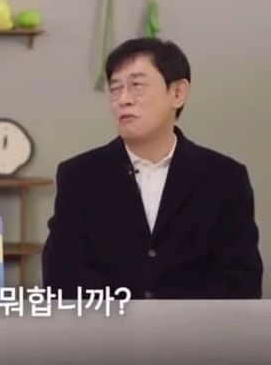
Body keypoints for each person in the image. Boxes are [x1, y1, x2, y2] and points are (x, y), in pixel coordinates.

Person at [42, 37, 263, 299]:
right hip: (107, 324)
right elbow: (61, 277)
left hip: (198, 325)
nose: (123, 99)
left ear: (178, 93)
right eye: (115, 88)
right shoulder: (79, 176)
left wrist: (173, 319)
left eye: (136, 86)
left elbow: (241, 281)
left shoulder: (224, 178)